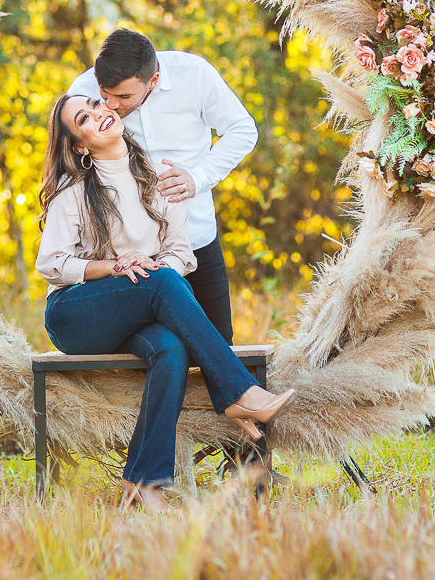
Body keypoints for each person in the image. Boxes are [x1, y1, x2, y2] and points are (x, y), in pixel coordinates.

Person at [35, 93, 295, 512]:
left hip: (139, 306)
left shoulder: (159, 180)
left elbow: (181, 252)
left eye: (97, 105)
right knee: (161, 281)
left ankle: (143, 483)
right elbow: (51, 264)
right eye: (84, 118)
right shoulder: (75, 190)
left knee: (171, 349)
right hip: (76, 314)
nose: (99, 113)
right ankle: (234, 390)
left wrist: (150, 264)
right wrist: (114, 266)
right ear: (79, 146)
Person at [68, 29, 258, 343]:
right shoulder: (82, 92)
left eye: (124, 97)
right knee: (155, 353)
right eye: (105, 93)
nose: (111, 106)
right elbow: (70, 163)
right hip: (125, 254)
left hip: (194, 238)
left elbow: (242, 130)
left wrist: (198, 177)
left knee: (219, 345)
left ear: (153, 80)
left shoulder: (194, 75)